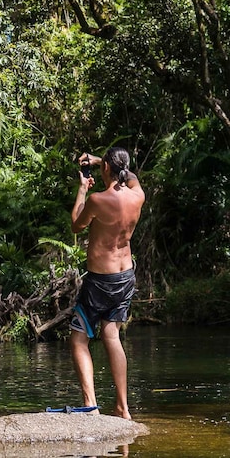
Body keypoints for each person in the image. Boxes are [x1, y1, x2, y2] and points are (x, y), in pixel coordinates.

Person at [69, 147, 145, 420]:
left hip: (101, 280)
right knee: (111, 336)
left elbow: (77, 225)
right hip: (126, 276)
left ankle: (90, 404)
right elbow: (131, 176)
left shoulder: (98, 200)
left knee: (79, 338)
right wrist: (104, 161)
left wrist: (82, 189)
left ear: (106, 171)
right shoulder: (138, 195)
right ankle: (123, 407)